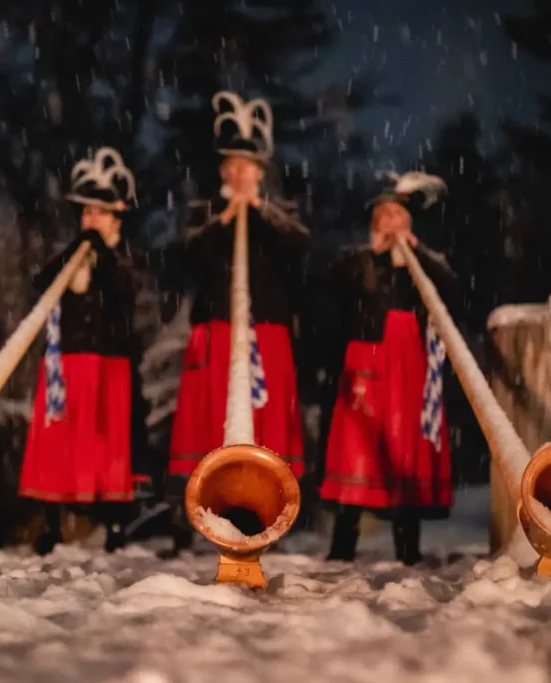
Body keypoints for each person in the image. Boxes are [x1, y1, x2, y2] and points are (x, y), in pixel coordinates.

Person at [162, 91, 310, 557]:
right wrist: (225, 218)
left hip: (265, 330)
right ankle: (189, 522)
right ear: (224, 170)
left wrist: (259, 211)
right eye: (232, 165)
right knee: (204, 422)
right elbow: (186, 256)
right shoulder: (206, 212)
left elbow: (299, 248)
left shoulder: (279, 213)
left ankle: (266, 513)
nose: (239, 173)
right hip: (217, 329)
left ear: (260, 171)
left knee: (264, 424)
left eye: (248, 166)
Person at [315, 170, 457, 565]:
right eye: (383, 216)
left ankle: (408, 548)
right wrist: (375, 256)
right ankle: (342, 547)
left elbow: (451, 289)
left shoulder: (424, 262)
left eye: (397, 215)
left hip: (409, 365)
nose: (391, 222)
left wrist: (418, 254)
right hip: (366, 360)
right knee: (355, 449)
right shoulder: (358, 261)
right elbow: (329, 287)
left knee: (405, 447)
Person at [19, 147, 151, 555]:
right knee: (59, 442)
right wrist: (78, 249)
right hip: (66, 362)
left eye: (100, 213)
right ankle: (51, 523)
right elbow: (41, 284)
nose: (91, 220)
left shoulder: (122, 260)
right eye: (86, 212)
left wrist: (100, 251)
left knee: (108, 445)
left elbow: (124, 290)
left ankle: (115, 526)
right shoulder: (71, 255)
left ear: (116, 218)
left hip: (109, 364)